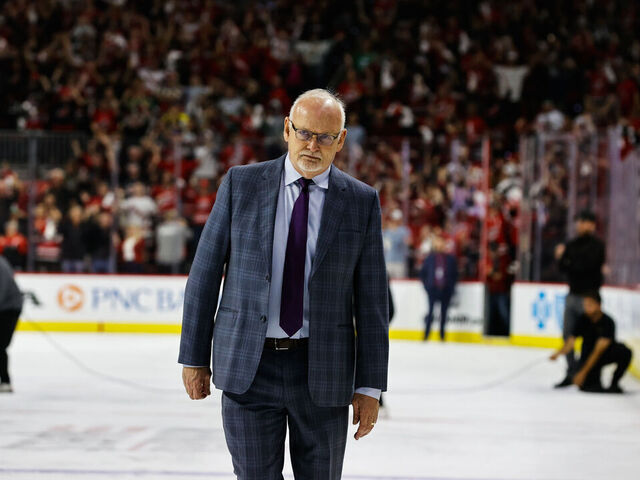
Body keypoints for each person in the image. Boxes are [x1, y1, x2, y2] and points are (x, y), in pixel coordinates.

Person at [179, 89, 389, 479]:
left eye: (325, 137)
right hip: (249, 370)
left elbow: (372, 303)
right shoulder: (240, 184)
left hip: (324, 373)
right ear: (287, 130)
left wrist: (370, 387)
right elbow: (204, 276)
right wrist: (194, 356)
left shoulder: (361, 202)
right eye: (305, 133)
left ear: (341, 141)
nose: (313, 145)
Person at [553, 209, 606, 388]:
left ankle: (586, 373)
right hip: (573, 294)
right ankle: (572, 371)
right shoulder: (572, 244)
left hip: (589, 297)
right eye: (580, 221)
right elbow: (562, 268)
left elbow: (587, 266)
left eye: (585, 221)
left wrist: (569, 261)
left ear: (592, 224)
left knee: (590, 336)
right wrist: (566, 260)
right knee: (568, 335)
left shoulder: (597, 245)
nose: (581, 225)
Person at [550, 291, 632, 394]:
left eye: (589, 305)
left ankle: (614, 384)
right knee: (588, 387)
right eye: (585, 305)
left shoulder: (608, 322)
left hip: (603, 354)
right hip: (587, 354)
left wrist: (583, 372)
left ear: (598, 305)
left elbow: (599, 350)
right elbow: (571, 341)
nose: (586, 308)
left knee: (625, 352)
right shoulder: (583, 319)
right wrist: (557, 354)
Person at [420, 234, 458, 341]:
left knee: (444, 313)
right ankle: (426, 335)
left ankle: (442, 335)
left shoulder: (450, 259)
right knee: (430, 311)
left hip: (445, 289)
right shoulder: (430, 258)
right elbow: (423, 274)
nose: (440, 245)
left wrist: (451, 288)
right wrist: (427, 287)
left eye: (442, 242)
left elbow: (455, 274)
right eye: (438, 243)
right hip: (433, 289)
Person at [0, 255, 23, 393]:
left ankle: (5, 381)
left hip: (9, 309)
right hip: (5, 307)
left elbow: (0, 292)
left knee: (0, 345)